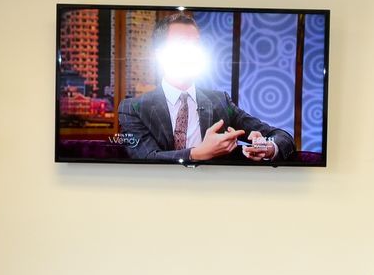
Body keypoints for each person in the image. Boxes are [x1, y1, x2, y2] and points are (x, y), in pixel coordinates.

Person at [117, 12, 295, 164]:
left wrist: (267, 147)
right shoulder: (133, 109)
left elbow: (280, 136)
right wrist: (199, 153)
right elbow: (146, 158)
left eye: (195, 45)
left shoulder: (220, 102)